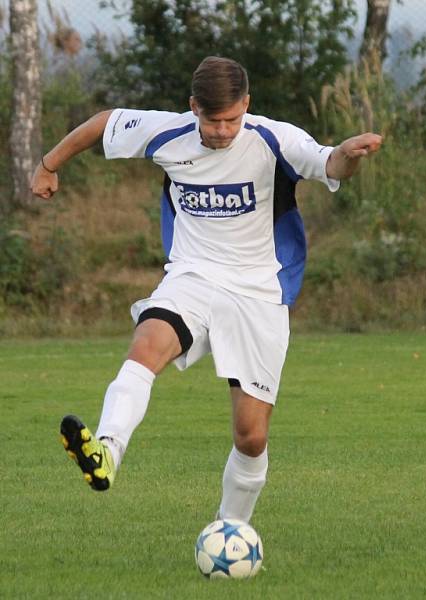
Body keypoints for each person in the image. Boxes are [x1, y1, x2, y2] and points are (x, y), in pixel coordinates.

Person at [30, 56, 382, 524]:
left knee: (250, 436)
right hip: (192, 276)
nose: (221, 130)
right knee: (145, 345)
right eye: (212, 119)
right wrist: (49, 164)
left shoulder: (273, 138)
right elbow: (103, 123)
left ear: (247, 105)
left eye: (232, 118)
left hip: (259, 291)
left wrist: (349, 155)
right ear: (193, 106)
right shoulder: (168, 133)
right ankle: (107, 451)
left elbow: (327, 161)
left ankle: (231, 529)